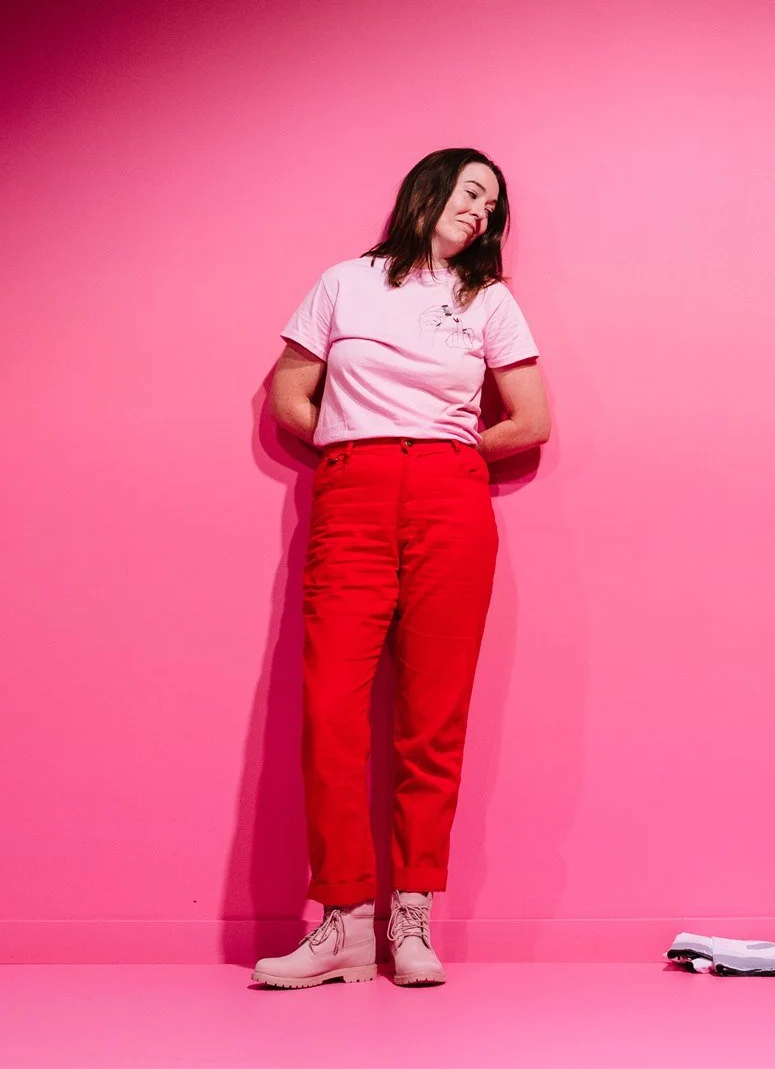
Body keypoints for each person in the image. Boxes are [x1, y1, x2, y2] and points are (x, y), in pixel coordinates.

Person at [253, 148, 549, 990]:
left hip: (451, 503)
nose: (483, 212)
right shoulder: (344, 282)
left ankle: (410, 914)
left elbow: (531, 420)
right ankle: (343, 922)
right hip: (352, 494)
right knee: (331, 709)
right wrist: (362, 446)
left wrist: (448, 453)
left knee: (433, 716)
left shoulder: (488, 299)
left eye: (494, 206)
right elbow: (289, 397)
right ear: (430, 189)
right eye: (473, 192)